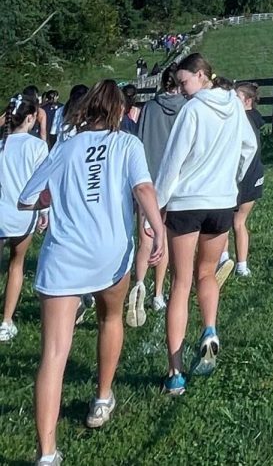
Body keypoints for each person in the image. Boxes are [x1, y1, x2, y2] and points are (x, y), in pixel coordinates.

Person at [18, 80, 165, 464]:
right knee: (109, 317)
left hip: (63, 258)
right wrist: (157, 228)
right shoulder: (127, 144)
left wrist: (47, 199)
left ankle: (46, 453)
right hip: (109, 254)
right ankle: (102, 397)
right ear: (118, 112)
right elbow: (145, 190)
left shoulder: (64, 148)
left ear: (85, 111)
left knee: (53, 354)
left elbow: (26, 198)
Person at [155, 53, 257, 396]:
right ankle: (210, 329)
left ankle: (175, 373)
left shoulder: (193, 110)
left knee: (180, 283)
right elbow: (250, 146)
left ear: (202, 76)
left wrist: (155, 207)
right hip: (221, 203)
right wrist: (234, 179)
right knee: (207, 274)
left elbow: (173, 161)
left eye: (184, 82)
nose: (182, 90)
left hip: (186, 204)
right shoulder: (233, 105)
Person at [126, 64, 183, 326]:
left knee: (145, 238)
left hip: (147, 180)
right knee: (165, 240)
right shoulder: (187, 108)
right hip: (174, 182)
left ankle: (138, 286)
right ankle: (159, 294)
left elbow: (139, 140)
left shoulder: (148, 108)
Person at [0, 94, 49, 342]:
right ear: (30, 118)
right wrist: (44, 212)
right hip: (22, 215)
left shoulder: (2, 143)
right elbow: (41, 184)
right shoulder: (37, 147)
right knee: (16, 265)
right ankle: (6, 320)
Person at [228, 82, 265, 278]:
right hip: (255, 174)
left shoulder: (241, 121)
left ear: (248, 101)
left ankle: (227, 260)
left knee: (233, 221)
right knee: (238, 222)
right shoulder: (256, 120)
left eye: (237, 98)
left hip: (243, 176)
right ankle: (241, 265)